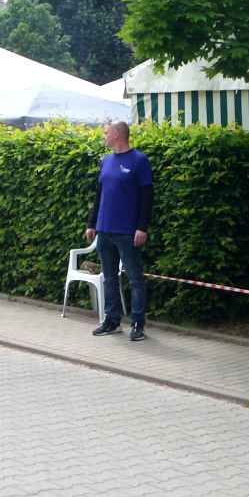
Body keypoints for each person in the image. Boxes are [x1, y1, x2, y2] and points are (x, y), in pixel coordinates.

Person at [84, 121, 153, 342]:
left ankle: (137, 324)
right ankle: (112, 321)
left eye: (106, 132)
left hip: (127, 231)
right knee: (109, 278)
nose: (104, 136)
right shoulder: (105, 161)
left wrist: (142, 227)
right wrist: (91, 223)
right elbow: (99, 195)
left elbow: (147, 197)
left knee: (135, 279)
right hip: (105, 230)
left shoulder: (139, 161)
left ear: (117, 134)